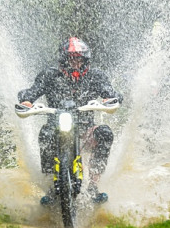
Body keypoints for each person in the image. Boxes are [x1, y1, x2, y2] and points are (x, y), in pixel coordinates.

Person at [18, 36, 123, 204]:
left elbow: (110, 92)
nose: (75, 63)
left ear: (85, 59)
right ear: (63, 59)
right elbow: (32, 92)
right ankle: (51, 185)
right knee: (45, 134)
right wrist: (26, 100)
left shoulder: (95, 76)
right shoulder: (49, 75)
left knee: (104, 133)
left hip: (86, 131)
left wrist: (110, 98)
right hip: (56, 127)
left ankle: (93, 186)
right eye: (71, 59)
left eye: (79, 59)